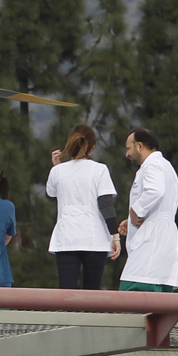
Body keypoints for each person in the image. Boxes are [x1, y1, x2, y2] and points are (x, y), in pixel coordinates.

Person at [46, 124, 121, 290]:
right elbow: (105, 205)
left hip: (66, 239)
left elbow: (52, 196)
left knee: (66, 295)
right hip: (94, 239)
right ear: (92, 147)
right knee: (92, 295)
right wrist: (115, 236)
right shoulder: (99, 169)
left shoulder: (58, 171)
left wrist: (56, 168)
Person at [118, 128, 178, 292]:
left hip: (151, 246)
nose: (127, 154)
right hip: (163, 243)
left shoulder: (152, 165)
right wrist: (130, 221)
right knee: (159, 308)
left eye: (128, 147)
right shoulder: (165, 165)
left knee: (129, 300)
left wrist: (135, 211)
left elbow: (155, 191)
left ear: (139, 146)